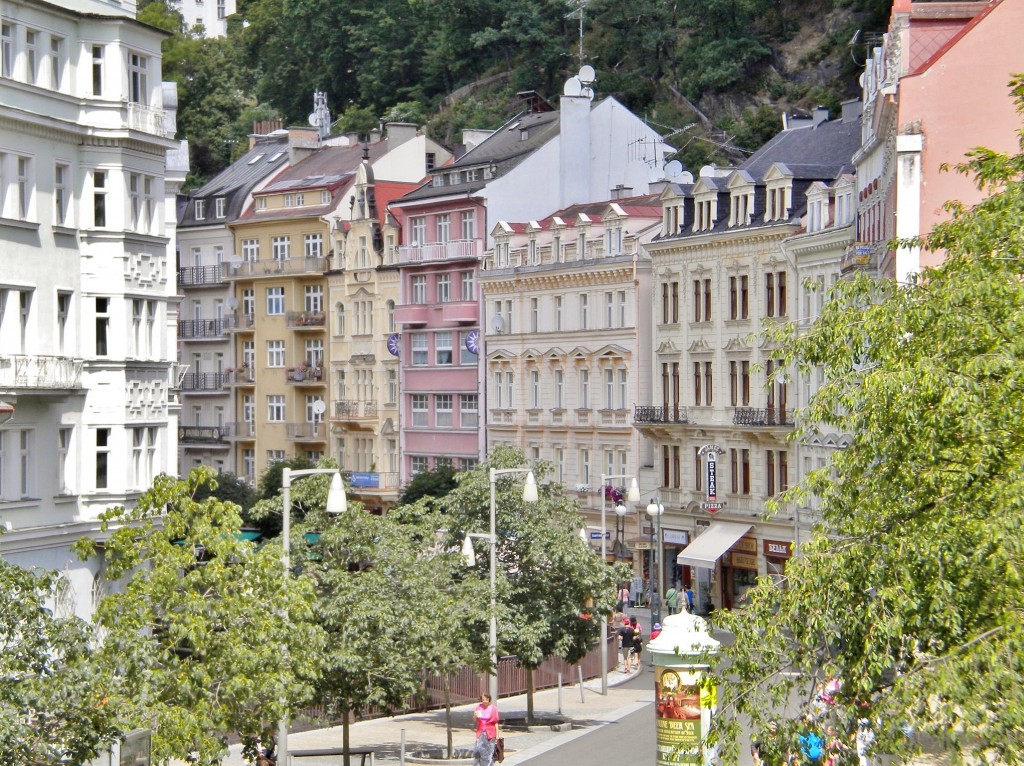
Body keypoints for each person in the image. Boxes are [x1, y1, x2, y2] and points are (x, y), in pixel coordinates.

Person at [472, 693, 500, 766]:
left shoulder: (493, 708)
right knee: (478, 750)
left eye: (486, 699)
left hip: (490, 732)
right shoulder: (478, 707)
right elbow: (474, 719)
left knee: (489, 751)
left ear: (489, 699)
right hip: (480, 731)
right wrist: (475, 716)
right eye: (483, 699)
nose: (484, 701)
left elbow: (496, 722)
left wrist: (497, 735)